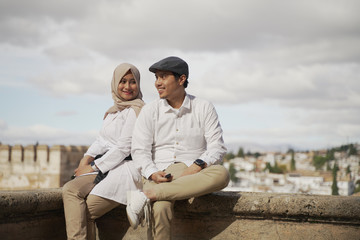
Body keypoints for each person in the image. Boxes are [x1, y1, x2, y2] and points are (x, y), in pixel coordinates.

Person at [126, 56, 230, 239]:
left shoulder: (203, 107)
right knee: (161, 207)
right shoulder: (150, 111)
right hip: (159, 172)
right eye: (156, 78)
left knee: (222, 174)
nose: (157, 83)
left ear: (181, 79)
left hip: (192, 172)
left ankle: (145, 195)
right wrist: (151, 173)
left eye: (163, 77)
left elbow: (217, 147)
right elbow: (139, 150)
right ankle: (153, 193)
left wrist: (197, 165)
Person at [62, 63, 145, 240]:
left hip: (124, 169)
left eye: (132, 82)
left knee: (85, 209)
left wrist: (92, 167)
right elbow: (102, 140)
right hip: (107, 166)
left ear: (138, 84)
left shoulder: (136, 110)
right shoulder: (114, 111)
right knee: (71, 191)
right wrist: (85, 159)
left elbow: (124, 148)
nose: (127, 87)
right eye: (123, 81)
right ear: (115, 83)